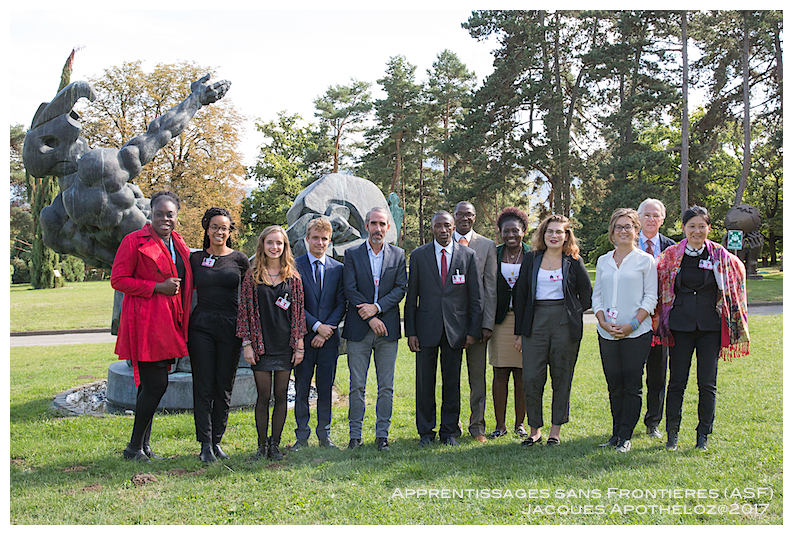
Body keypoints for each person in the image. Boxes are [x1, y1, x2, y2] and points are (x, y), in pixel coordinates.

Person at [654, 206, 749, 451]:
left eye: (702, 226)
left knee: (707, 383)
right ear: (684, 228)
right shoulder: (671, 255)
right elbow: (657, 281)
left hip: (709, 327)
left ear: (709, 228)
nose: (697, 231)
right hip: (680, 326)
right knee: (677, 382)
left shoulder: (720, 255)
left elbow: (738, 273)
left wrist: (723, 278)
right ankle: (672, 433)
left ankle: (703, 435)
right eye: (692, 226)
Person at [112, 191, 193, 462]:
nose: (165, 219)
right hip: (145, 323)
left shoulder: (178, 243)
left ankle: (142, 446)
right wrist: (157, 287)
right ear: (151, 214)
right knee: (156, 384)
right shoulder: (134, 241)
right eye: (160, 213)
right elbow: (119, 280)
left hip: (169, 323)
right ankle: (134, 447)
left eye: (170, 214)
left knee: (149, 385)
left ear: (177, 216)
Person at [405, 210, 483, 447]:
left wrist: (472, 331)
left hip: (455, 331)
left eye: (447, 226)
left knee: (452, 383)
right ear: (432, 228)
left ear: (453, 228)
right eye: (438, 226)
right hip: (426, 329)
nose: (443, 230)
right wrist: (411, 332)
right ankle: (426, 433)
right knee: (424, 383)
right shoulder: (419, 256)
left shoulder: (468, 255)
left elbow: (476, 298)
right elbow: (411, 298)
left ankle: (449, 431)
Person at [513, 214, 592, 447]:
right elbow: (520, 296)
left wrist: (572, 313)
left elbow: (586, 294)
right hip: (535, 322)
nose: (554, 236)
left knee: (561, 376)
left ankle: (555, 431)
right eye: (550, 231)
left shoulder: (573, 260)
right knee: (532, 377)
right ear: (543, 235)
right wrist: (518, 333)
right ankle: (534, 430)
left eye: (560, 232)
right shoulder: (531, 259)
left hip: (564, 326)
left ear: (567, 236)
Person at [236, 226, 307, 460]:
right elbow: (244, 312)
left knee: (281, 393)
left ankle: (275, 445)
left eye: (279, 243)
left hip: (284, 346)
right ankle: (261, 446)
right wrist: (247, 343)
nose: (274, 247)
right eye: (270, 243)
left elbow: (298, 314)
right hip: (260, 345)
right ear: (262, 245)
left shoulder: (293, 278)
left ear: (285, 247)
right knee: (263, 395)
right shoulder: (252, 276)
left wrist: (299, 346)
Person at [592, 208, 658, 453]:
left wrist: (633, 324)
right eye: (618, 227)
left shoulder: (645, 260)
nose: (623, 231)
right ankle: (615, 432)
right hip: (607, 333)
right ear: (612, 232)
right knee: (614, 385)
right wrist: (601, 321)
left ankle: (626, 436)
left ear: (636, 230)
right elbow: (596, 296)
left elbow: (651, 297)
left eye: (628, 226)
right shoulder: (603, 261)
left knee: (632, 385)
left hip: (637, 333)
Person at [343, 207, 407, 451]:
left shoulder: (398, 255)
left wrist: (377, 308)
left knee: (386, 386)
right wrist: (369, 316)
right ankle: (355, 436)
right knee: (357, 385)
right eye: (373, 223)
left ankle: (382, 436)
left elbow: (401, 288)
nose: (377, 229)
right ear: (366, 226)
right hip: (359, 329)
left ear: (388, 227)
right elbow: (350, 289)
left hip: (387, 329)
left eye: (382, 224)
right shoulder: (352, 254)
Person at [188, 207, 250, 462]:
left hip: (230, 327)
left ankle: (217, 441)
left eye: (224, 228)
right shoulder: (195, 259)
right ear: (207, 228)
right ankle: (204, 444)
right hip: (201, 327)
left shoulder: (240, 260)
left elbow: (248, 297)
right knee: (203, 385)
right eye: (214, 227)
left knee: (224, 386)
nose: (219, 232)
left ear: (229, 231)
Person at [292, 218, 346, 450]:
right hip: (303, 338)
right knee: (302, 388)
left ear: (329, 241)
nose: (320, 242)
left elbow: (341, 303)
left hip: (329, 340)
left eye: (324, 239)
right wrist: (315, 327)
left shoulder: (338, 269)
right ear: (307, 239)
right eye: (315, 238)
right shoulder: (294, 266)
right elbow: (295, 303)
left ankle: (325, 434)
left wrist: (325, 331)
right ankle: (302, 436)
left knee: (325, 388)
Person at [452, 201, 497, 443]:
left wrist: (487, 323)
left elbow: (490, 288)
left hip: (477, 323)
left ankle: (477, 425)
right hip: (450, 324)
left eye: (469, 215)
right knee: (451, 377)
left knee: (477, 378)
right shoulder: (445, 242)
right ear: (454, 216)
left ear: (475, 217)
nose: (465, 218)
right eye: (460, 214)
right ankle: (452, 424)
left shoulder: (487, 246)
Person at [488, 208, 530, 440]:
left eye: (515, 230)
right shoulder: (493, 254)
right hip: (500, 321)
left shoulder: (533, 256)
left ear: (524, 231)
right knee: (500, 373)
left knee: (522, 374)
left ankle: (520, 424)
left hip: (525, 321)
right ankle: (500, 425)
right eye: (506, 231)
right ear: (500, 233)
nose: (511, 235)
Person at [637, 198, 676, 439]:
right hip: (633, 319)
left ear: (663, 219)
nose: (651, 219)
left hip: (662, 324)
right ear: (638, 218)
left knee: (658, 374)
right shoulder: (627, 244)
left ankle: (653, 422)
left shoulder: (673, 248)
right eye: (647, 215)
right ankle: (626, 421)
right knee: (631, 374)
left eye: (656, 215)